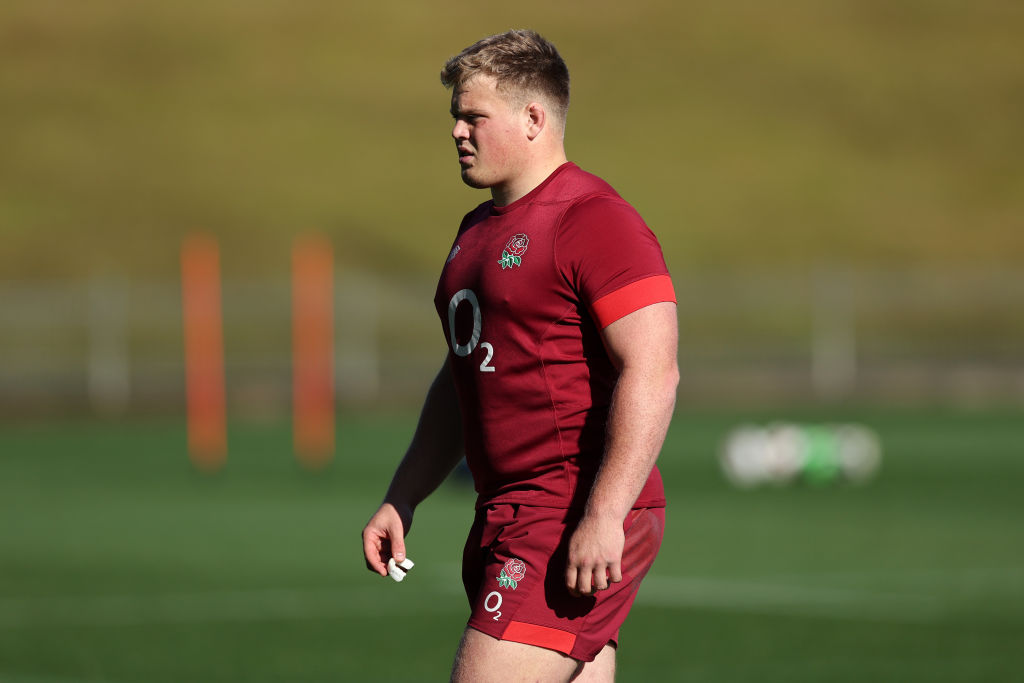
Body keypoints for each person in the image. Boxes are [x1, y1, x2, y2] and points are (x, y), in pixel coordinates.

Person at [362, 29, 679, 682]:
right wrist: (404, 495)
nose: (457, 131)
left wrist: (603, 513)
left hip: (566, 511)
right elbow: (461, 380)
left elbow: (654, 368)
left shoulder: (595, 218)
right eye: (455, 116)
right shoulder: (474, 232)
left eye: (474, 116)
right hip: (504, 513)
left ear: (534, 118)